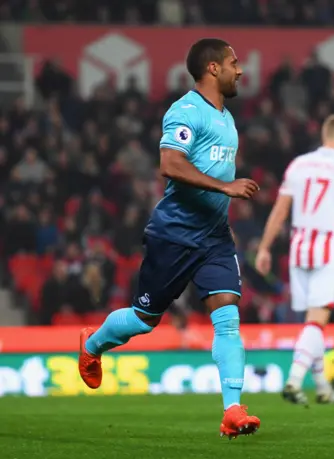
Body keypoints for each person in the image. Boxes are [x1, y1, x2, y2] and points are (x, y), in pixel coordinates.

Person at [77, 38, 262, 439]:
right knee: (145, 319)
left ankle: (233, 410)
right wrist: (224, 188)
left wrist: (222, 207)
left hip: (214, 237)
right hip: (175, 234)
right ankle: (92, 346)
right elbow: (170, 163)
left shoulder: (226, 118)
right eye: (234, 62)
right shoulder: (186, 111)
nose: (240, 70)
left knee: (227, 316)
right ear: (213, 68)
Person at [255, 114, 334, 405]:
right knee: (317, 321)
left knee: (312, 322)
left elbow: (280, 210)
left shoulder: (298, 164)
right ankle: (294, 381)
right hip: (328, 248)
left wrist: (264, 247)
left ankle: (322, 387)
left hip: (299, 247)